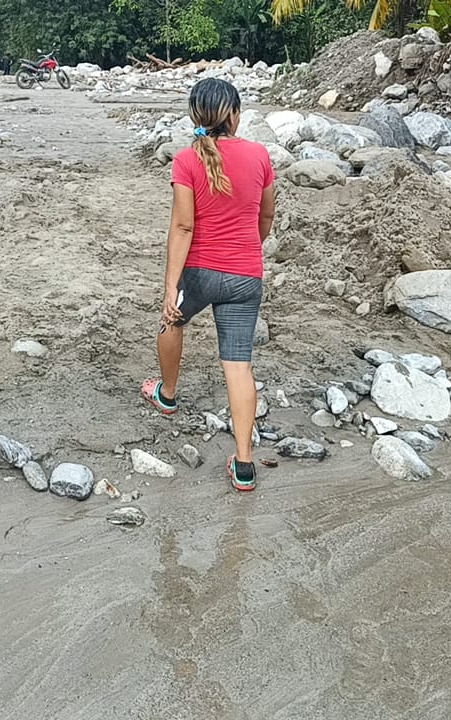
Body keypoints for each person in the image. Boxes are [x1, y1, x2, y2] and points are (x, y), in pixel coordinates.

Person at [141, 78, 276, 493]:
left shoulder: (185, 159)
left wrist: (169, 287)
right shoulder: (259, 155)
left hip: (198, 274)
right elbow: (266, 217)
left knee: (171, 323)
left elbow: (183, 226)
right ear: (235, 115)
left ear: (195, 116)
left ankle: (167, 394)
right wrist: (250, 247)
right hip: (244, 276)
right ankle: (244, 464)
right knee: (238, 366)